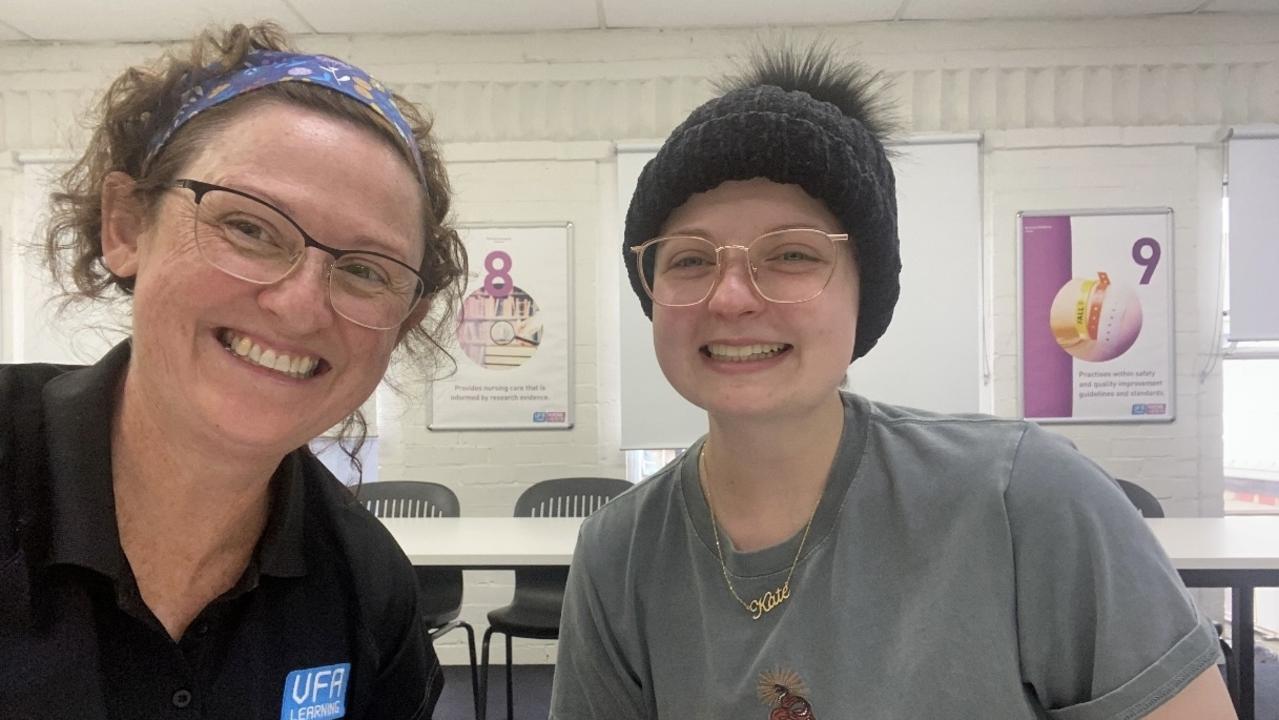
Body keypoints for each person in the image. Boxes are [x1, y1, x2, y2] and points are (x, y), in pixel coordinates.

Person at [550, 44, 1237, 719]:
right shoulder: (619, 553)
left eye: (790, 253)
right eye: (691, 259)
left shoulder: (1024, 501)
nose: (730, 297)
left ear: (865, 294)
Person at [0, 22, 466, 719]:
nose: (301, 307)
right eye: (249, 227)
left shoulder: (367, 589)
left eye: (366, 270)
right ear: (126, 226)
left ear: (403, 322)